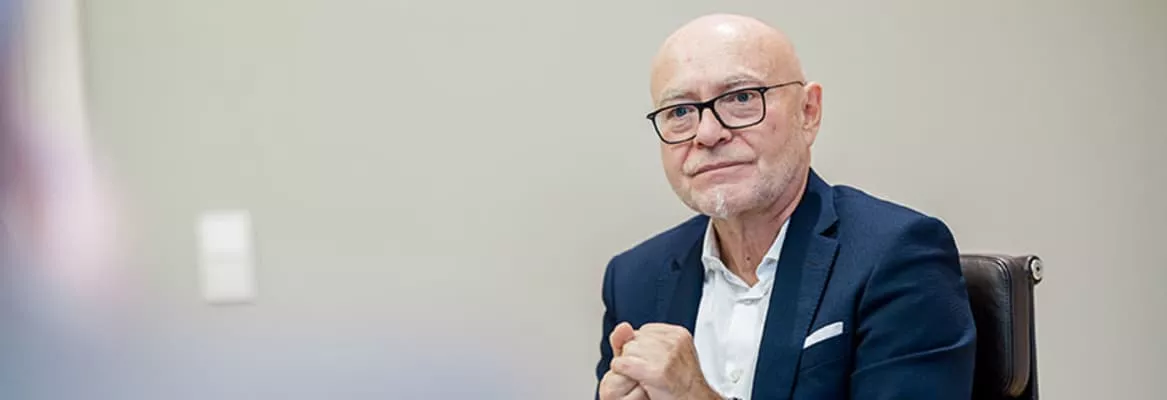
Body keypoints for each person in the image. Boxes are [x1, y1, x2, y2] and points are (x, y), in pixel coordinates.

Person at [594, 14, 976, 400]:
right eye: (679, 112)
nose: (707, 134)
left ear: (808, 112)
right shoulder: (634, 278)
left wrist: (694, 395)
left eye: (742, 98)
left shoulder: (896, 255)